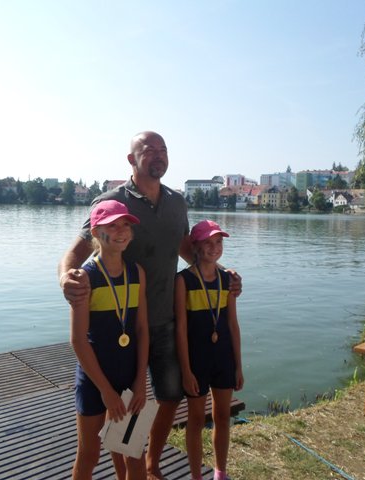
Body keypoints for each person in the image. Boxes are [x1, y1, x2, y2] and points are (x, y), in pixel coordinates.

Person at [59, 131, 241, 480]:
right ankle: (127, 465)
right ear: (132, 159)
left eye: (163, 149)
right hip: (120, 327)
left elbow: (187, 249)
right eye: (149, 150)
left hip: (165, 319)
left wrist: (221, 274)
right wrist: (66, 278)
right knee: (113, 418)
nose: (158, 155)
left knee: (170, 395)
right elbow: (76, 252)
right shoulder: (110, 201)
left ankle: (151, 463)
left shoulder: (176, 202)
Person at [70, 199, 149, 480]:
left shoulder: (137, 272)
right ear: (95, 232)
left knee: (134, 455)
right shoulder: (85, 277)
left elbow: (142, 330)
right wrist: (105, 390)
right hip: (94, 382)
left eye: (126, 225)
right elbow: (78, 340)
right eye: (112, 226)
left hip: (128, 378)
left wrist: (140, 382)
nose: (121, 231)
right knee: (89, 454)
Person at [175, 220, 243, 480]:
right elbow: (181, 329)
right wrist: (185, 371)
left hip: (223, 359)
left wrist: (238, 365)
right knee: (195, 420)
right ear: (195, 246)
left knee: (222, 417)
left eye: (218, 242)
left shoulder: (227, 280)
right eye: (208, 243)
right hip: (197, 361)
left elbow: (233, 324)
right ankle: (196, 476)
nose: (214, 247)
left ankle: (220, 472)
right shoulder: (183, 280)